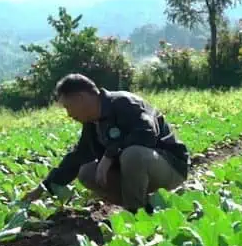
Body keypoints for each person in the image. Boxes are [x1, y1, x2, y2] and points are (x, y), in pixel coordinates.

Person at [22, 73, 189, 213]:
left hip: (171, 167)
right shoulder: (92, 123)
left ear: (80, 98)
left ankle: (135, 214)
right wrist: (42, 188)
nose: (69, 115)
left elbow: (146, 134)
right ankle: (145, 209)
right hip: (142, 171)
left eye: (68, 107)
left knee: (132, 154)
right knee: (86, 172)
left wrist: (110, 155)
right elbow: (76, 158)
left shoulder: (125, 102)